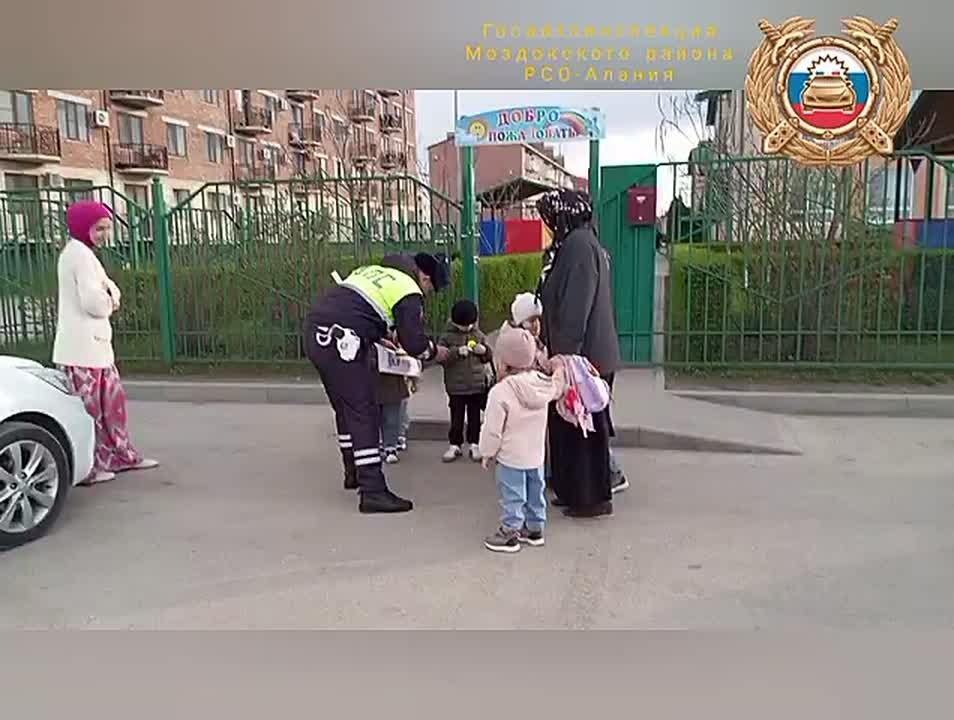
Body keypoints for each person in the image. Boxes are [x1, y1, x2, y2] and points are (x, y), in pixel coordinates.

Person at [303, 252, 450, 514]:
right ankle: (373, 491)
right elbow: (414, 343)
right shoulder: (408, 288)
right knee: (364, 411)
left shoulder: (371, 272)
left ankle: (353, 471)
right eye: (430, 289)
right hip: (343, 340)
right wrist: (435, 352)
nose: (427, 294)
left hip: (316, 332)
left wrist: (380, 335)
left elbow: (361, 310)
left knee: (345, 407)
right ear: (425, 277)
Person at [52, 200, 159, 485]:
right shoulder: (80, 256)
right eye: (98, 228)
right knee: (90, 413)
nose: (104, 235)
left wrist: (109, 291)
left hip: (92, 348)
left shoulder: (81, 253)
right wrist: (112, 297)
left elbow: (107, 289)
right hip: (82, 350)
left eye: (107, 228)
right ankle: (89, 467)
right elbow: (96, 303)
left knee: (109, 408)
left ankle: (116, 456)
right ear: (81, 226)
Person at [535, 189, 621, 519]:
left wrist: (563, 355)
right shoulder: (579, 243)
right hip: (584, 354)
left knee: (583, 430)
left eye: (550, 218)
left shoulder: (578, 246)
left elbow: (575, 306)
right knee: (571, 427)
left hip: (582, 357)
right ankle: (574, 492)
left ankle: (590, 499)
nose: (548, 224)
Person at [478, 328, 565, 553]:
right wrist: (559, 369)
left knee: (513, 495)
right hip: (536, 456)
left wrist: (486, 452)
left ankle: (510, 532)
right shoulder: (542, 383)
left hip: (511, 457)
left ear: (503, 362)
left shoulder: (500, 392)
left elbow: (492, 429)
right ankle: (535, 529)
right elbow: (558, 386)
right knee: (536, 491)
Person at [438, 299, 494, 463]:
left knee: (474, 417)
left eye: (470, 324)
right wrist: (455, 353)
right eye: (464, 325)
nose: (467, 328)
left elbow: (488, 357)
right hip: (456, 386)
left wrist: (484, 351)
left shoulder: (478, 335)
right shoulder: (447, 337)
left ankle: (474, 443)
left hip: (477, 385)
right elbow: (440, 357)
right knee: (456, 417)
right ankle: (455, 444)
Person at [373, 332, 411, 465]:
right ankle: (377, 446)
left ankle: (390, 448)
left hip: (393, 380)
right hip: (374, 379)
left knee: (392, 418)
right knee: (375, 418)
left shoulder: (399, 335)